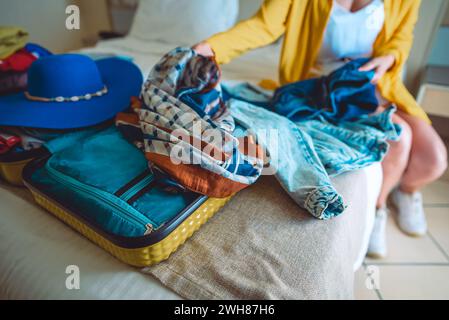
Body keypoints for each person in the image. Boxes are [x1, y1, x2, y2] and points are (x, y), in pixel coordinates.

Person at [193, 0, 448, 258]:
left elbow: (402, 38)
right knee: (400, 137)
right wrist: (211, 50)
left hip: (377, 85)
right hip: (321, 89)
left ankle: (406, 191)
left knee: (434, 161)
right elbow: (263, 26)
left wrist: (389, 57)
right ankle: (378, 208)